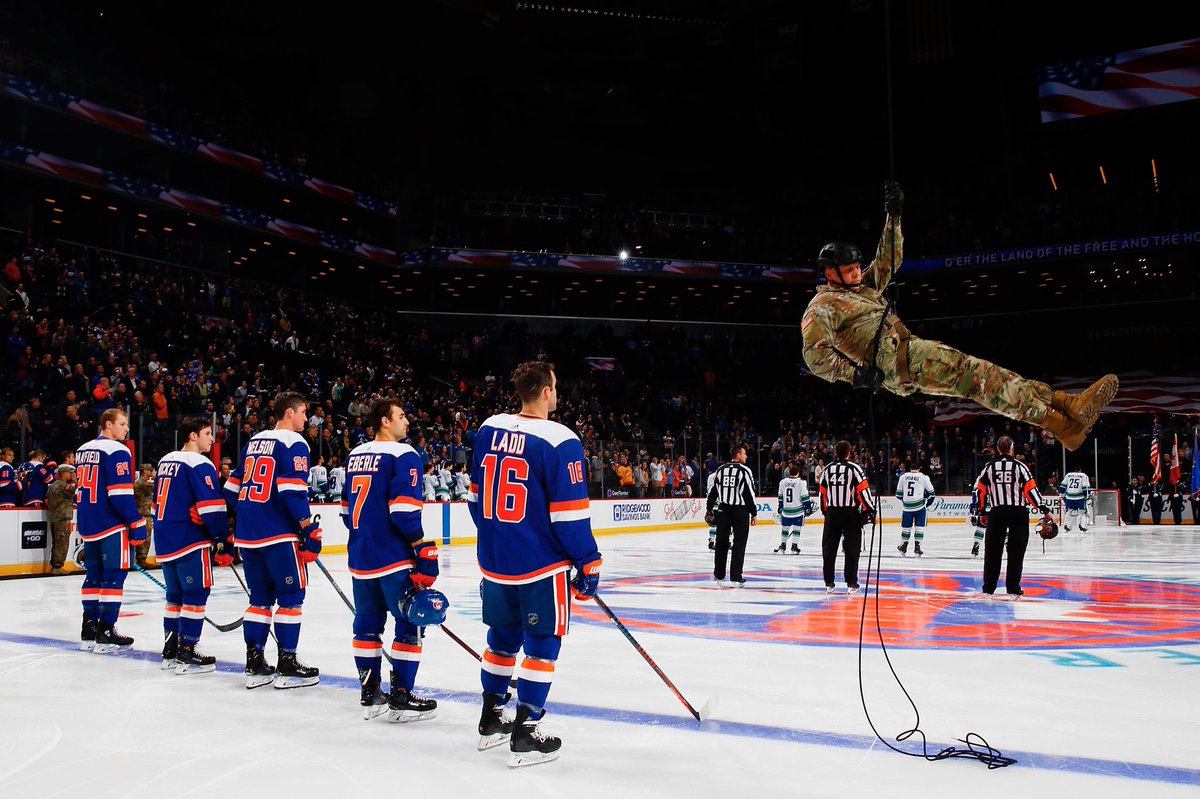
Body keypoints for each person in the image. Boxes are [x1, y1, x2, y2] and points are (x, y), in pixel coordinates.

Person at [801, 180, 1117, 452]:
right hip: (900, 362)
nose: (858, 272)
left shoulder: (862, 289)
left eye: (858, 267)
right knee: (981, 378)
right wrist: (855, 376)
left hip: (909, 354)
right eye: (850, 269)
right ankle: (1061, 423)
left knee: (988, 376)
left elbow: (888, 261)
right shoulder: (823, 306)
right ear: (831, 272)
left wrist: (893, 217)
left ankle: (1066, 410)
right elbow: (815, 357)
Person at [469, 361, 601, 768]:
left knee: (501, 639)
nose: (557, 393)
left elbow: (475, 499)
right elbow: (570, 514)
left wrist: (499, 538)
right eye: (556, 386)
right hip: (541, 566)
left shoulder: (489, 428)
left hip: (495, 561)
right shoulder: (561, 440)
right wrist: (587, 560)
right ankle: (526, 730)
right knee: (542, 644)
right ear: (545, 391)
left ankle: (492, 717)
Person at [343, 398, 441, 722]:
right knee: (410, 623)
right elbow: (403, 512)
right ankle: (401, 696)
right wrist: (421, 546)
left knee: (367, 626)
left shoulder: (355, 455)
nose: (407, 421)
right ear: (385, 421)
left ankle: (370, 694)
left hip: (360, 556)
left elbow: (346, 512)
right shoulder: (405, 455)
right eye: (401, 416)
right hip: (393, 558)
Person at [225, 391, 322, 689]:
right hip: (279, 534)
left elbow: (232, 488)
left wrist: (234, 523)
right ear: (289, 413)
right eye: (303, 412)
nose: (306, 419)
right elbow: (292, 490)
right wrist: (307, 528)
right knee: (291, 600)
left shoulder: (255, 441)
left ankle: (255, 664)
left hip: (249, 535)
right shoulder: (295, 443)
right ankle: (288, 663)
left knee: (260, 600)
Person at [153, 416, 234, 674]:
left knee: (175, 596)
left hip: (165, 536)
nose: (212, 438)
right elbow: (211, 506)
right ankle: (187, 651)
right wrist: (222, 538)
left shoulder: (166, 460)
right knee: (196, 594)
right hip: (190, 538)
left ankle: (170, 650)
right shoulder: (199, 463)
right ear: (192, 436)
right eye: (208, 433)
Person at [76, 408, 148, 653]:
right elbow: (119, 493)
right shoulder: (118, 450)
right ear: (108, 425)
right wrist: (135, 521)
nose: (126, 429)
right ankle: (106, 629)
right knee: (114, 576)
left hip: (89, 522)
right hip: (111, 523)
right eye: (123, 424)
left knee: (93, 576)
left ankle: (89, 626)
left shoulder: (83, 449)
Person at [973, 435, 1051, 598]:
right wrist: (1044, 509)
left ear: (998, 449)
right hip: (1018, 513)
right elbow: (1030, 491)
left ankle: (988, 588)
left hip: (996, 512)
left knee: (992, 552)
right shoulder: (1020, 467)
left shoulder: (989, 467)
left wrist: (981, 511)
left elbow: (981, 490)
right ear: (1012, 449)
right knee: (1016, 552)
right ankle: (1013, 588)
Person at [817, 440, 875, 594]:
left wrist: (826, 512)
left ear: (835, 453)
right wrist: (870, 509)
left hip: (832, 513)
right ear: (849, 453)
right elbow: (863, 491)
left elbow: (822, 493)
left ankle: (829, 581)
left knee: (829, 548)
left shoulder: (827, 469)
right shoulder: (855, 468)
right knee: (851, 549)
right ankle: (851, 582)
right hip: (850, 513)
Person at [706, 443, 757, 587]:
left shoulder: (721, 469)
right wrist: (754, 512)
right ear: (738, 455)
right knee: (739, 543)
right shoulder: (745, 471)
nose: (746, 456)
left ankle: (719, 576)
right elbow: (749, 493)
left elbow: (713, 492)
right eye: (745, 453)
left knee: (721, 543)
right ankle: (736, 577)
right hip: (740, 511)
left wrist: (709, 509)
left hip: (723, 510)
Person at [895, 463, 935, 556]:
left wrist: (906, 501)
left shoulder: (903, 476)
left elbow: (898, 495)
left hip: (907, 507)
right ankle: (917, 547)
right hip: (919, 506)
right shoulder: (923, 477)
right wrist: (926, 504)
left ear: (910, 469)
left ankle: (903, 546)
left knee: (906, 528)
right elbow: (932, 494)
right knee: (919, 527)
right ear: (919, 468)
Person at [774, 464, 813, 554]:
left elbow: (780, 497)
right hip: (797, 511)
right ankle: (794, 546)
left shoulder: (783, 482)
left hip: (786, 510)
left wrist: (780, 507)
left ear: (789, 472)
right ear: (798, 473)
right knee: (797, 529)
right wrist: (808, 508)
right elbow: (805, 497)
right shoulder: (801, 482)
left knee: (785, 529)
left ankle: (783, 545)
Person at [46, 463, 76, 575]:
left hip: (55, 517)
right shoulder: (63, 485)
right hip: (62, 518)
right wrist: (75, 481)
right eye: (69, 473)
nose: (71, 475)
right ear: (64, 474)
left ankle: (55, 565)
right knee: (62, 543)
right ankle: (57, 566)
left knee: (57, 542)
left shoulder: (53, 485)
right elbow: (74, 491)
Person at [133, 463, 156, 567]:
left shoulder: (145, 483)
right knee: (144, 538)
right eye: (149, 470)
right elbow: (155, 487)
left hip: (146, 514)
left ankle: (142, 559)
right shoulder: (140, 483)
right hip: (142, 514)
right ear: (144, 471)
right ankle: (141, 560)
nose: (151, 472)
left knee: (146, 538)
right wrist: (158, 477)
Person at [1061, 467, 1091, 532]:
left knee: (1069, 511)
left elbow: (1063, 485)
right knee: (1082, 511)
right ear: (1080, 470)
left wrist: (1062, 494)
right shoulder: (1083, 475)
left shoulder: (1068, 475)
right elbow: (1085, 486)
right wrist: (1087, 495)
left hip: (1069, 497)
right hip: (1079, 497)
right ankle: (1082, 526)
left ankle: (1067, 525)